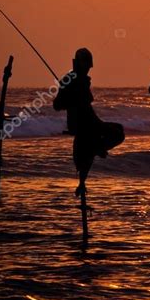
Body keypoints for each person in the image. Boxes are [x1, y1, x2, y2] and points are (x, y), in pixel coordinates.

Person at [53, 48, 125, 196]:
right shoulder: (70, 80)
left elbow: (86, 102)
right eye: (86, 67)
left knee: (118, 131)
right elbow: (57, 105)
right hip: (82, 124)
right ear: (80, 64)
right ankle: (96, 149)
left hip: (91, 121)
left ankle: (95, 150)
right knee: (107, 138)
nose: (88, 70)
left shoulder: (82, 80)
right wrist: (70, 97)